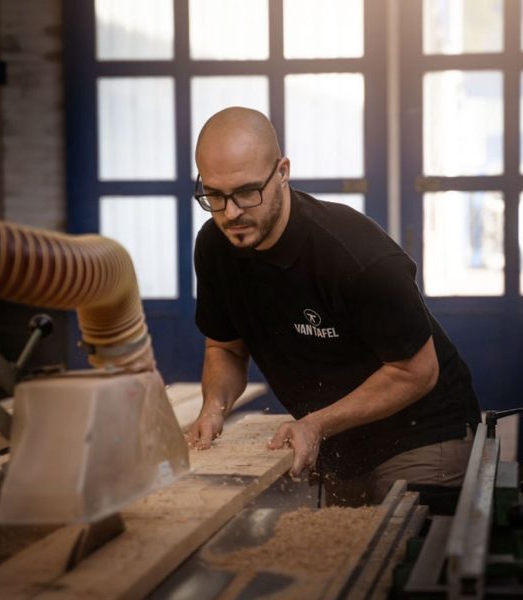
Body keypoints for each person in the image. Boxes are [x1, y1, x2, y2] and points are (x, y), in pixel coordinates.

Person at [187, 106, 481, 506]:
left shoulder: (353, 254)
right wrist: (214, 407)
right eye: (215, 195)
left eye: (246, 192)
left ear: (282, 172)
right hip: (338, 443)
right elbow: (225, 348)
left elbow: (416, 371)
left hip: (421, 432)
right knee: (342, 556)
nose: (231, 212)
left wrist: (317, 424)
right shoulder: (214, 248)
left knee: (389, 548)